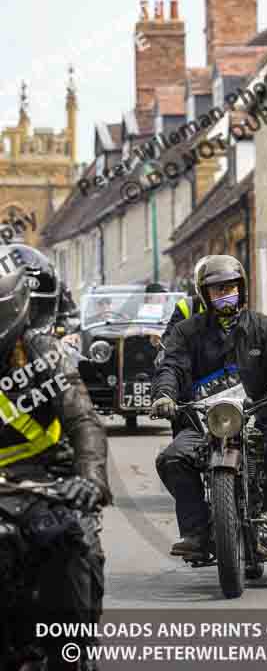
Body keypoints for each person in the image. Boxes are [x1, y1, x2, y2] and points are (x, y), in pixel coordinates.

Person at [151, 254, 267, 559]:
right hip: (204, 421)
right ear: (206, 294)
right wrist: (164, 395)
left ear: (241, 289)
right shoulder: (186, 332)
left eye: (230, 287)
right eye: (217, 290)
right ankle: (197, 532)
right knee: (173, 458)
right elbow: (171, 367)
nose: (225, 294)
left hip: (258, 415)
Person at [0, 244, 111, 669]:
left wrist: (90, 478)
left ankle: (71, 656)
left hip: (46, 480)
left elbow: (84, 420)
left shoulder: (43, 352)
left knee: (69, 540)